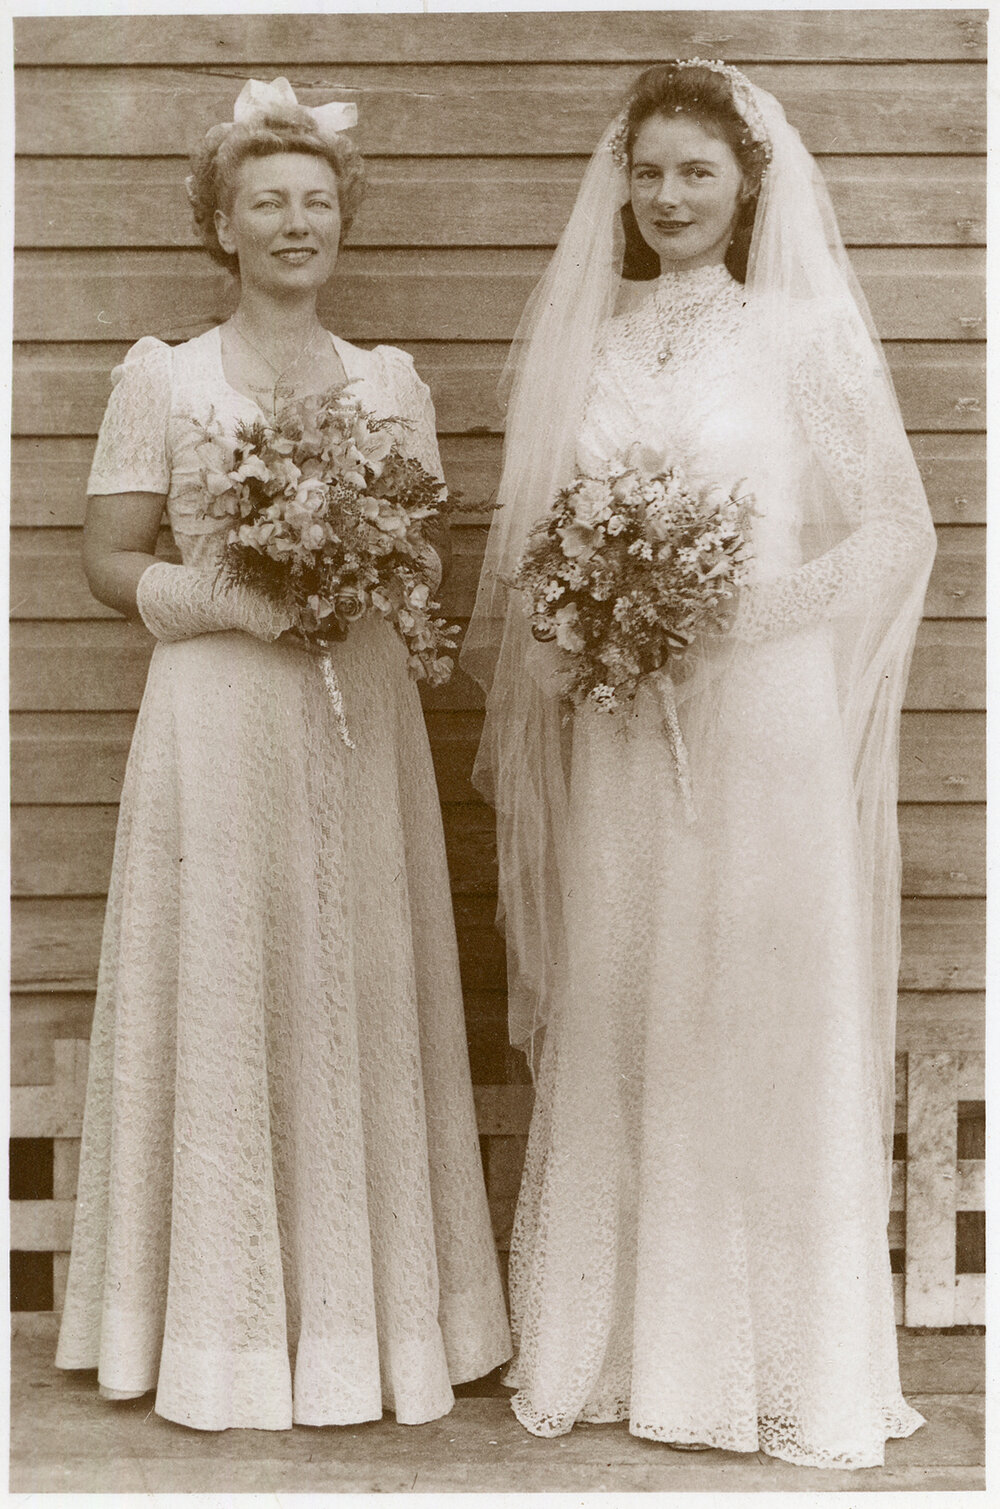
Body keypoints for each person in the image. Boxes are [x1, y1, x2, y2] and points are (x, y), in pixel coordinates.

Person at [462, 60, 935, 1469]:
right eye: (648, 173)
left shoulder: (803, 339)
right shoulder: (594, 348)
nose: (668, 197)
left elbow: (894, 533)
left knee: (752, 1004)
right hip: (623, 727)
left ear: (747, 188)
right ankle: (619, 1345)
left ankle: (773, 1359)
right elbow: (544, 553)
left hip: (763, 718)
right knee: (633, 991)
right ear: (623, 189)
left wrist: (731, 614)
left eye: (696, 173)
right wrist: (593, 613)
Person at [55, 76, 510, 1432]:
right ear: (224, 225)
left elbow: (418, 554)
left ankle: (370, 1323)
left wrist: (366, 574)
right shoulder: (167, 377)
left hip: (350, 711)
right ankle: (218, 1329)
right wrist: (224, 596)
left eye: (316, 202)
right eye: (268, 204)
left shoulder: (390, 385)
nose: (295, 224)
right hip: (214, 714)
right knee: (229, 975)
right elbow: (104, 556)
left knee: (349, 983)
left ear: (340, 224)